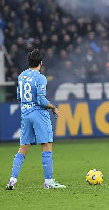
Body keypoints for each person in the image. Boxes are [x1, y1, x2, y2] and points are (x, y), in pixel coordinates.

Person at [6, 49, 66, 190]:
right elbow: (41, 100)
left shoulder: (21, 76)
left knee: (22, 149)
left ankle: (12, 181)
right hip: (38, 114)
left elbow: (20, 97)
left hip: (25, 114)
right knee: (46, 145)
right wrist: (53, 107)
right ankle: (48, 182)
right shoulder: (40, 77)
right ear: (40, 63)